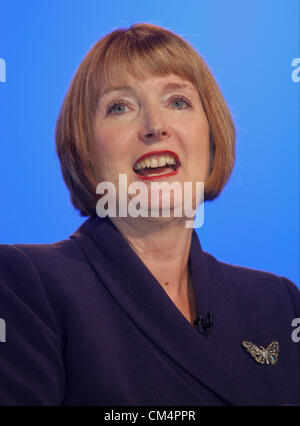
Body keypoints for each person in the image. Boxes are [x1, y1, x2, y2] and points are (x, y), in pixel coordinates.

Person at [0, 23, 299, 406]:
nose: (155, 127)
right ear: (85, 150)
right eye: (120, 107)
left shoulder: (279, 304)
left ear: (211, 137)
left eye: (177, 101)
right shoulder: (25, 284)